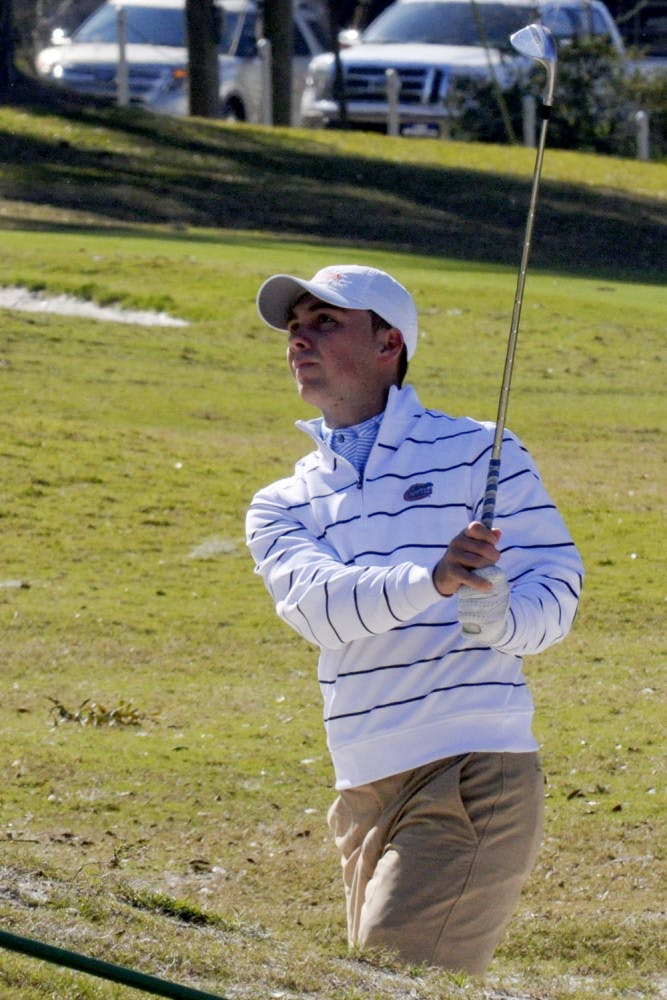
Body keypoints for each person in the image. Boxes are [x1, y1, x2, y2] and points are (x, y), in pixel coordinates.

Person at [245, 264, 584, 974]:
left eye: (325, 323)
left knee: (389, 982)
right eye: (295, 328)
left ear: (388, 343)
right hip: (360, 786)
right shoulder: (280, 503)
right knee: (382, 983)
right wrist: (432, 578)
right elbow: (319, 610)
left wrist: (491, 613)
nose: (299, 340)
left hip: (471, 768)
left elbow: (555, 592)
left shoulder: (481, 451)